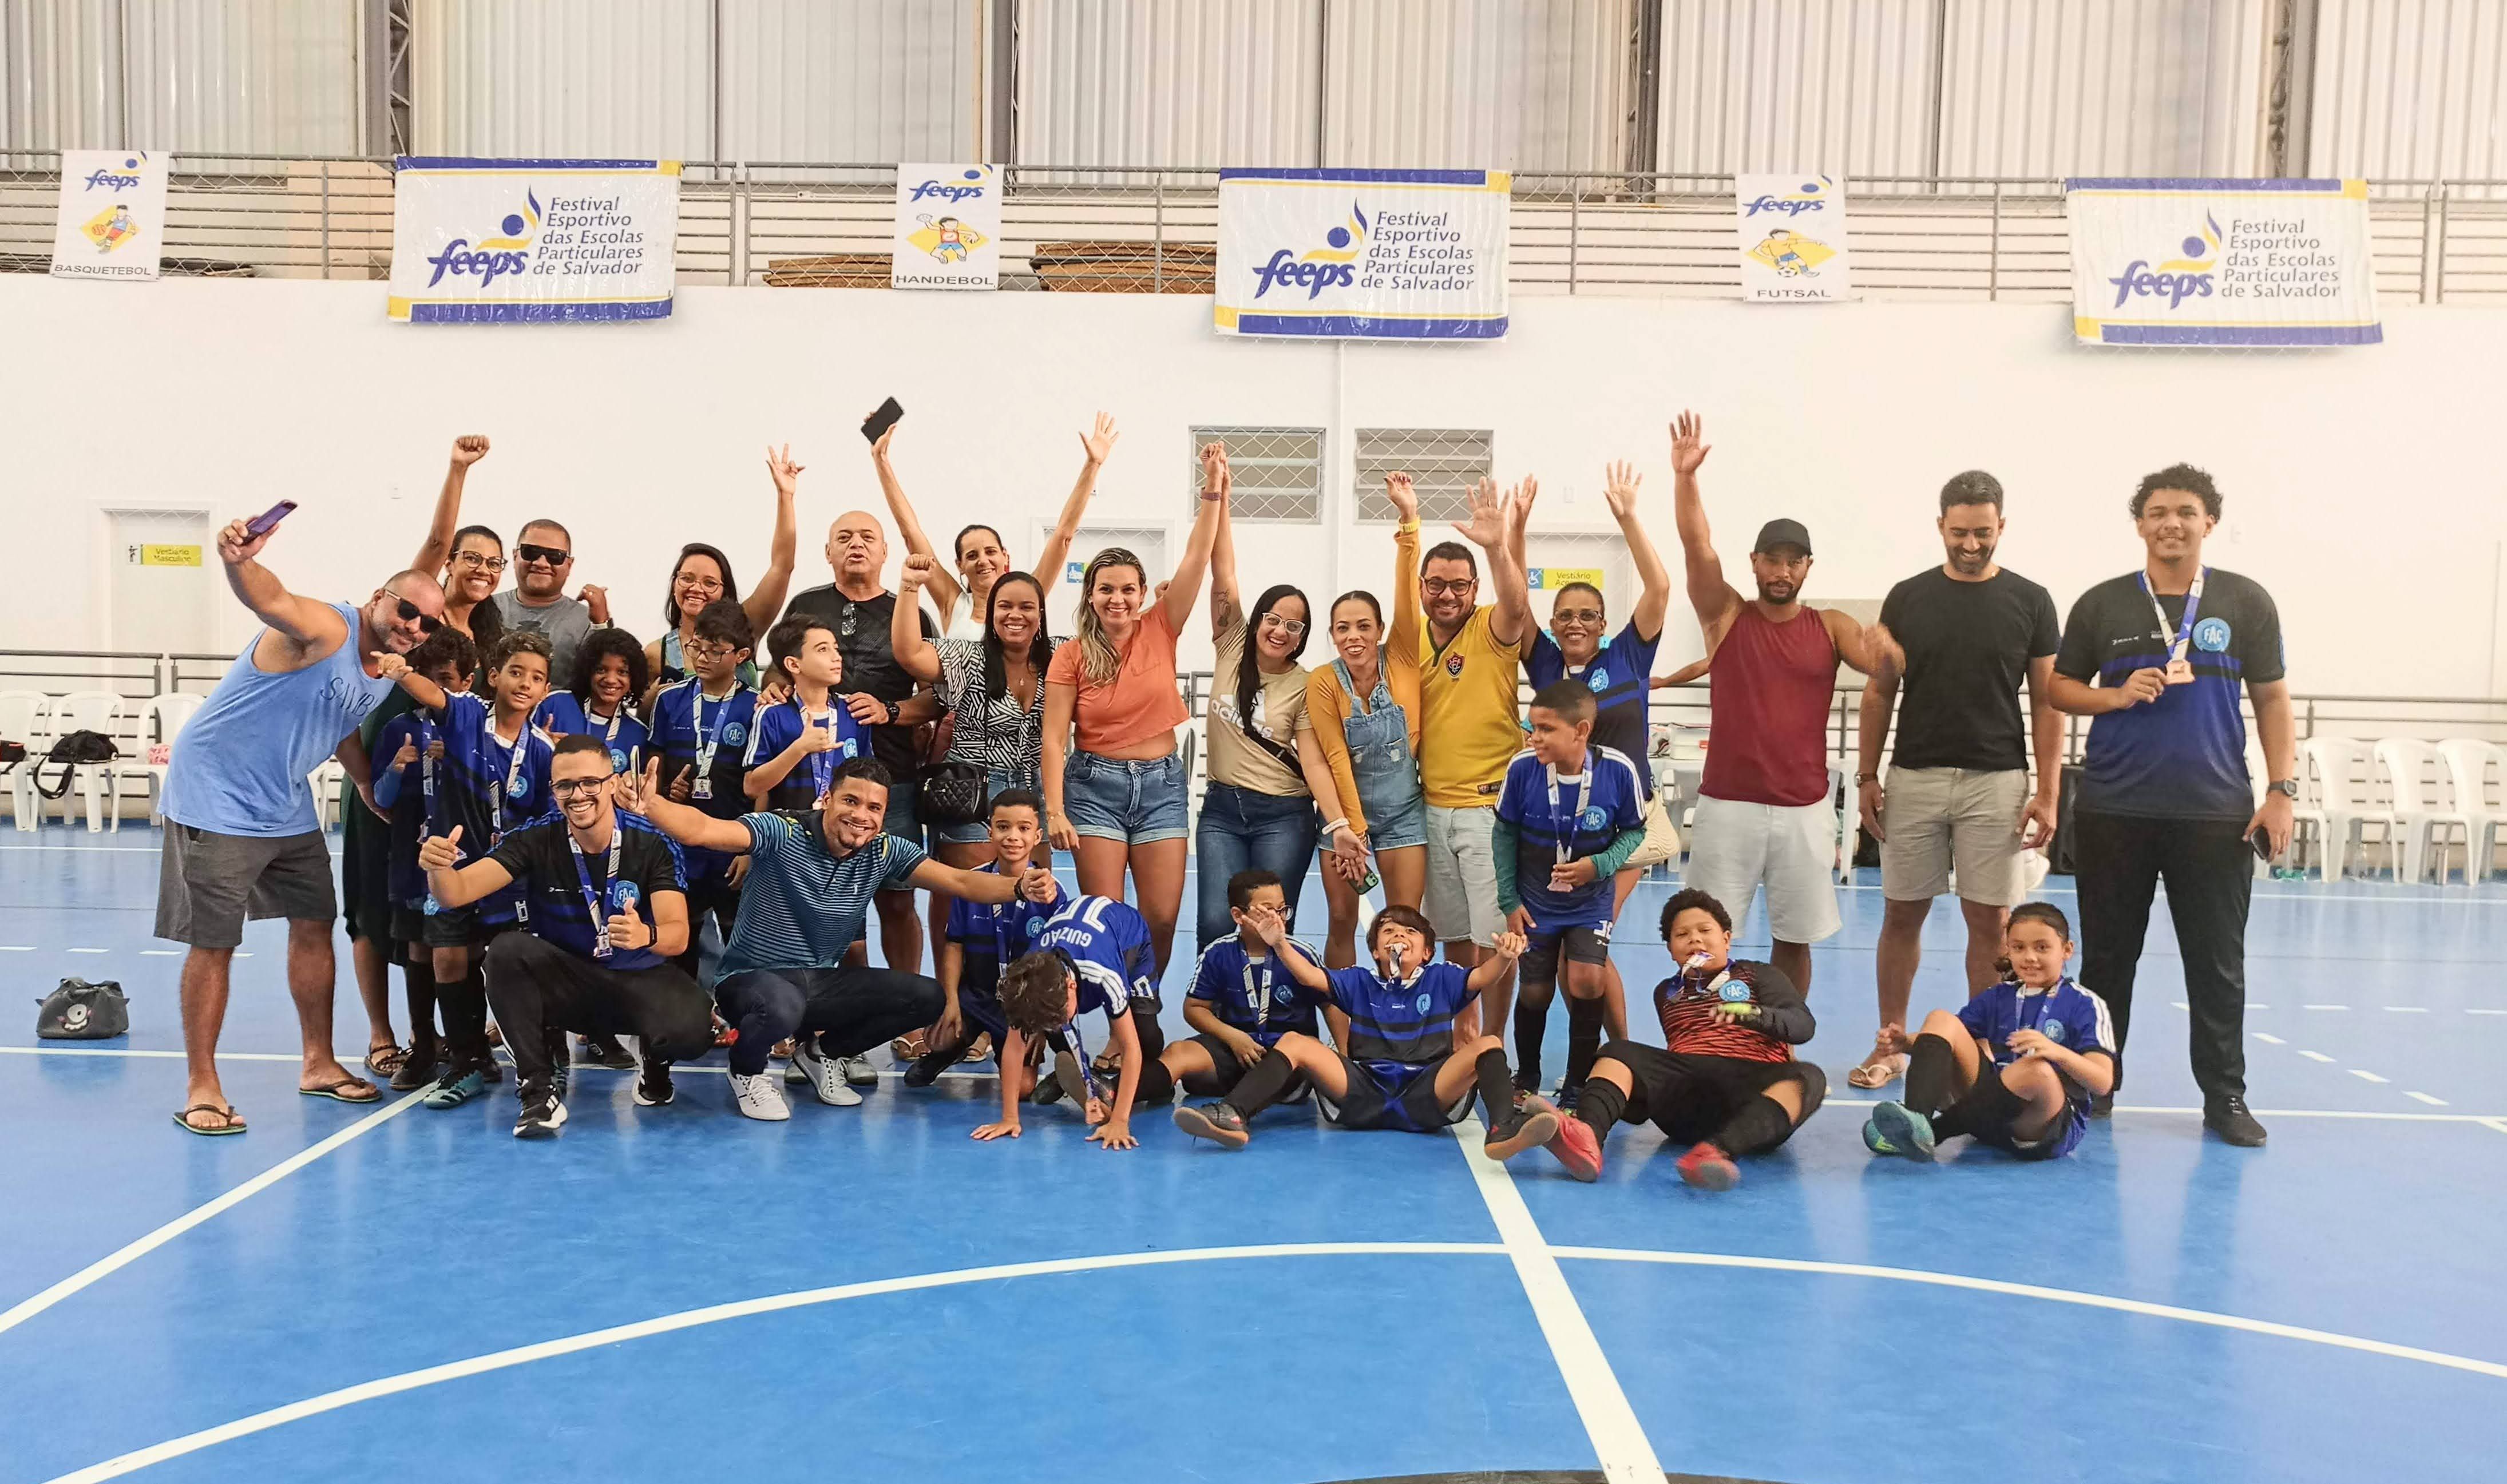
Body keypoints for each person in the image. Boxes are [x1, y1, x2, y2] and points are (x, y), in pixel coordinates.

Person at [158, 516, 443, 1134]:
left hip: (284, 800)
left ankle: (318, 1062)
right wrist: (239, 561)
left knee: (315, 923)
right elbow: (274, 599)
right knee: (215, 941)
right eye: (407, 610)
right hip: (216, 791)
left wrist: (365, 783)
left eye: (428, 623)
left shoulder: (385, 665)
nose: (414, 626)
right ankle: (203, 1084)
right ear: (379, 597)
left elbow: (341, 720)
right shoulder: (330, 627)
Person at [2047, 463, 2289, 1147]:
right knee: (2107, 962)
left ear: (2208, 521)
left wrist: (2280, 790)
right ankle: (2096, 1086)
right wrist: (2114, 695)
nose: (2171, 523)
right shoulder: (2101, 603)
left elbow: (2272, 697)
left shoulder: (2244, 600)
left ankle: (2225, 1097)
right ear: (2139, 524)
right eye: (2157, 512)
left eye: (2185, 511)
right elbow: (2060, 688)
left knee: (2216, 965)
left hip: (2214, 814)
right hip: (2114, 810)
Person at [620, 756, 1052, 1121]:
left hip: (819, 983)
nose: (861, 815)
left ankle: (821, 1053)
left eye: (874, 807)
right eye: (850, 801)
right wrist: (651, 804)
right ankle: (747, 1073)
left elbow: (960, 881)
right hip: (751, 980)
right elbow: (702, 830)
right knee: (781, 1005)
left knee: (926, 997)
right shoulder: (782, 831)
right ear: (827, 799)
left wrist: (1019, 888)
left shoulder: (884, 850)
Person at [1849, 470, 2064, 1090]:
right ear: (1941, 525)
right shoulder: (1908, 598)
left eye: (1983, 532)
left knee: (1990, 925)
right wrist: (1866, 775)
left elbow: (2047, 701)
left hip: (1996, 782)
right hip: (1913, 777)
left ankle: (1982, 1055)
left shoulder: (2031, 600)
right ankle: (1890, 1042)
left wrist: (2048, 792)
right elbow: (1880, 690)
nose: (1971, 544)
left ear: (2002, 527)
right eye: (1960, 532)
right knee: (1901, 914)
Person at [1667, 410, 1885, 997]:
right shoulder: (1726, 614)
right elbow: (1696, 544)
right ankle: (1705, 1035)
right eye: (1772, 559)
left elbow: (1883, 666)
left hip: (1803, 808)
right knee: (1704, 934)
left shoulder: (1831, 625)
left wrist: (1897, 647)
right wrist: (1685, 478)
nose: (1782, 570)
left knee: (1795, 935)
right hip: (1728, 804)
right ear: (1755, 562)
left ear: (1807, 566)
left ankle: (1782, 1033)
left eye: (1794, 560)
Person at [418, 735, 714, 1138]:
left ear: (613, 783)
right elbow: (456, 892)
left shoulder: (652, 841)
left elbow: (677, 936)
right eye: (565, 786)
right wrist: (438, 868)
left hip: (638, 976)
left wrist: (645, 934)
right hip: (570, 980)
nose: (578, 795)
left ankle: (654, 1058)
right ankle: (538, 1092)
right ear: (553, 790)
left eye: (590, 782)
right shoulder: (535, 837)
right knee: (505, 952)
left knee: (693, 1029)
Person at [337, 433, 496, 1081]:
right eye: (470, 558)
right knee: (375, 910)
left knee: (443, 920)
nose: (481, 570)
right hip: (382, 776)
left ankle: (456, 1037)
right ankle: (386, 1035)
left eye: (494, 563)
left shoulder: (484, 631)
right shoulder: (415, 609)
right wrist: (458, 469)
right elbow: (434, 540)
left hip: (446, 799)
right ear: (449, 564)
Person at [1509, 457, 1678, 1059]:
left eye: (1587, 614)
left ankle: (1622, 1056)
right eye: (1565, 615)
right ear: (1554, 625)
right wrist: (1516, 528)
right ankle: (1612, 1058)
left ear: (1603, 623)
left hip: (1625, 826)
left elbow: (1660, 589)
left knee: (1587, 950)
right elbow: (1513, 597)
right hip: (1560, 829)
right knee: (1571, 956)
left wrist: (1628, 517)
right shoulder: (1544, 663)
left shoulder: (1629, 656)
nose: (1576, 622)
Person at [1041, 442, 1227, 978]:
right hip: (1094, 789)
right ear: (1090, 595)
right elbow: (1053, 738)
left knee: (1161, 919)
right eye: (1106, 589)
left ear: (1143, 593)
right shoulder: (1071, 655)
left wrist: (1212, 487)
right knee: (1109, 920)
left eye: (1127, 589)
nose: (1117, 599)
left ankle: (1142, 1004)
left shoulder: (1162, 625)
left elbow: (1196, 557)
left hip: (1161, 787)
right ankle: (1118, 1014)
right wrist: (1055, 811)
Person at [1509, 889, 1826, 1192]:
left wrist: (1753, 1014)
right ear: (1671, 950)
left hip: (1752, 1093)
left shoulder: (1759, 975)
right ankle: (1585, 1137)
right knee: (1616, 1051)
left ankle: (1717, 1152)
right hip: (1686, 1102)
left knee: (1809, 1077)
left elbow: (1802, 1026)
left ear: (1727, 939)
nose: (1695, 939)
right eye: (1682, 935)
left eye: (1705, 931)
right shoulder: (1666, 993)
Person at [1170, 905, 1548, 1156]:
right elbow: (1310, 976)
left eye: (1410, 932)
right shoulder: (1358, 981)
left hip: (1427, 1090)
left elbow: (1484, 976)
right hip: (1362, 1090)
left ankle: (1503, 1128)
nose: (1398, 936)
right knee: (1296, 1043)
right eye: (1388, 931)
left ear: (1427, 952)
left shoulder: (1443, 979)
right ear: (1375, 951)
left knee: (1488, 1043)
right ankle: (1233, 1114)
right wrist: (1280, 944)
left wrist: (1504, 956)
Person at [375, 632, 557, 1110]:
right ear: (494, 677)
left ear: (545, 690)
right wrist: (402, 673)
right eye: (516, 672)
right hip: (451, 869)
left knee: (510, 965)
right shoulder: (469, 717)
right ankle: (467, 1062)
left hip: (507, 878)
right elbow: (434, 694)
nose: (525, 683)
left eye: (536, 678)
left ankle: (537, 1061)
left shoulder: (542, 750)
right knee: (448, 961)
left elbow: (546, 821)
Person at [893, 555, 1054, 1046]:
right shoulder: (966, 656)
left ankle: (1020, 1017)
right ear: (991, 612)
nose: (1015, 615)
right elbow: (909, 653)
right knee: (971, 909)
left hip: (1036, 792)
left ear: (1041, 613)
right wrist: (908, 587)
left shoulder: (1060, 655)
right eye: (1005, 606)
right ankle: (963, 1013)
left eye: (1026, 606)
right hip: (973, 791)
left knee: (1029, 909)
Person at [781, 508, 944, 974]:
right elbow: (781, 671)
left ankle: (906, 1002)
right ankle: (845, 1005)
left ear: (885, 551)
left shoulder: (911, 612)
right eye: (845, 537)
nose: (856, 544)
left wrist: (891, 711)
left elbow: (939, 697)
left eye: (868, 537)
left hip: (893, 779)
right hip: (816, 784)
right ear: (827, 552)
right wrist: (774, 687)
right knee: (830, 906)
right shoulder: (805, 606)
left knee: (897, 899)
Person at [1413, 474, 1535, 1042]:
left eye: (1459, 585)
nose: (1447, 595)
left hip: (1489, 811)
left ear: (1474, 587)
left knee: (1496, 939)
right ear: (1421, 586)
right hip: (1430, 808)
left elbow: (1517, 602)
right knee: (1454, 936)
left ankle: (1494, 1039)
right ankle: (1464, 1034)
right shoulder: (1410, 637)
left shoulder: (1491, 625)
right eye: (1436, 584)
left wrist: (1496, 545)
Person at [1863, 902, 2116, 1163]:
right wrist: (1905, 1043)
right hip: (1988, 1114)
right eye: (2019, 948)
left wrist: (2057, 1052)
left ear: (2067, 950)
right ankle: (1917, 1121)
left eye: (2042, 947)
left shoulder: (2085, 1004)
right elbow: (1945, 1041)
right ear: (2008, 949)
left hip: (2042, 1125)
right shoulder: (2000, 996)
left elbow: (2103, 1081)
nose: (2030, 957)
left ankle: (1935, 1133)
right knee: (1941, 1019)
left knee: (2035, 1070)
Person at [1495, 680, 1647, 1101]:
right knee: (1535, 989)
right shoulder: (1522, 768)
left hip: (1589, 901)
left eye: (1546, 729)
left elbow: (1634, 832)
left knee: (1588, 980)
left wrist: (1600, 865)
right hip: (1535, 901)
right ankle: (1526, 1077)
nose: (1535, 737)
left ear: (1581, 731)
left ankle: (1579, 1084)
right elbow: (1503, 835)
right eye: (1533, 727)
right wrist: (1509, 900)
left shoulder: (1618, 770)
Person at [1300, 474, 1429, 967]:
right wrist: (1349, 831)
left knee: (1403, 921)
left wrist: (1408, 521)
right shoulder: (1323, 681)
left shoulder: (1403, 658)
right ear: (1332, 635)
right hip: (1341, 818)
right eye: (1342, 628)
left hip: (1403, 815)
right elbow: (1334, 757)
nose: (1352, 636)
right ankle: (1343, 1011)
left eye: (1363, 627)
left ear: (1379, 631)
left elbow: (1406, 592)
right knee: (1341, 919)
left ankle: (1398, 1003)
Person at [1195, 485, 1318, 951]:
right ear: (1257, 620)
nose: (1280, 630)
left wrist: (1337, 821)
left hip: (1283, 816)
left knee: (1269, 928)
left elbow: (1314, 759)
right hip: (1221, 811)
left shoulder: (1306, 685)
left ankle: (1271, 999)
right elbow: (1223, 570)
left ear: (1302, 637)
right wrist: (1220, 496)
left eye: (1294, 626)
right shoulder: (1231, 645)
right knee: (1214, 923)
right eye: (1273, 618)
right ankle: (1214, 1000)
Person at [871, 410, 1113, 641]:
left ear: (1004, 556)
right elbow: (910, 532)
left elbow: (1063, 536)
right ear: (960, 565)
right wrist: (881, 460)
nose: (983, 561)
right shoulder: (952, 603)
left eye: (990, 551)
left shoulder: (1028, 593)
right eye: (972, 555)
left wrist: (1093, 465)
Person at [368, 628, 479, 1090]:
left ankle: (468, 1048)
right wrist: (397, 767)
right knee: (418, 947)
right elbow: (381, 798)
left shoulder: (472, 726)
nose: (437, 689)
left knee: (463, 950)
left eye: (447, 680)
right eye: (430, 678)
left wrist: (451, 759)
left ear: (467, 682)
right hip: (410, 858)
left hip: (462, 858)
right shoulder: (398, 729)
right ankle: (424, 1044)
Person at [985, 894, 1165, 1149]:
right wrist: (1010, 1118)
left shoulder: (1105, 975)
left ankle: (1150, 1080)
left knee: (1146, 1039)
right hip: (1074, 949)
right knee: (1056, 1031)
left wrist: (1120, 1122)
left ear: (1071, 987)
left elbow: (1131, 1048)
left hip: (1128, 944)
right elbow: (1014, 1047)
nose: (1057, 1024)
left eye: (1059, 1015)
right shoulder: (1026, 980)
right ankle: (1081, 1075)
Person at [906, 789, 1058, 1086]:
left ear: (1038, 836)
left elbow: (1056, 967)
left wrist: (1039, 1024)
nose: (1013, 837)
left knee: (1023, 1088)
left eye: (1024, 828)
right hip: (977, 998)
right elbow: (954, 945)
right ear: (990, 833)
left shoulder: (1050, 891)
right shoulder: (973, 884)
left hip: (1022, 1007)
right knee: (938, 1039)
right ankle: (954, 1048)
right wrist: (951, 1001)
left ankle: (1060, 1065)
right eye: (1003, 827)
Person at [647, 598, 762, 986]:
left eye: (716, 650)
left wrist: (750, 849)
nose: (703, 657)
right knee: (681, 942)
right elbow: (655, 770)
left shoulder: (756, 706)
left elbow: (763, 784)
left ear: (741, 655)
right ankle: (685, 1015)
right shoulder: (670, 700)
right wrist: (668, 792)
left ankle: (743, 1014)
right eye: (697, 646)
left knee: (740, 945)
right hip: (681, 845)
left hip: (733, 843)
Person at [1163, 869, 1333, 1112]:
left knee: (1300, 1053)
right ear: (1238, 915)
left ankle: (1229, 1112)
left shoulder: (1302, 954)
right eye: (1267, 911)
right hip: (1237, 1049)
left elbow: (1330, 1004)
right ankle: (1114, 1095)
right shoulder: (1217, 953)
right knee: (1178, 1053)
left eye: (1282, 910)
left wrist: (1343, 1059)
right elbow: (1194, 1008)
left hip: (1287, 1059)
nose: (1278, 919)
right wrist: (1234, 1038)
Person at [644, 444, 800, 697]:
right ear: (674, 585)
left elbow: (782, 567)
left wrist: (786, 496)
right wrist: (652, 699)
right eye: (687, 579)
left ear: (724, 591)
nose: (696, 589)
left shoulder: (745, 626)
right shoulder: (656, 653)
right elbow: (638, 713)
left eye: (709, 583)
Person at [744, 613, 868, 813]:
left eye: (835, 648)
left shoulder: (854, 711)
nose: (836, 657)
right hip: (788, 827)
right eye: (823, 650)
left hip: (840, 826)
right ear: (794, 664)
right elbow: (752, 787)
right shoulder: (771, 714)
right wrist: (800, 748)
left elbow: (868, 779)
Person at [492, 518, 608, 692]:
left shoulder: (587, 621)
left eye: (555, 556)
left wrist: (601, 625)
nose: (541, 563)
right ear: (515, 556)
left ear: (569, 565)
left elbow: (603, 680)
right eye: (531, 552)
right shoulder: (485, 607)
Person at [536, 626, 651, 775]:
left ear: (634, 678)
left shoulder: (638, 734)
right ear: (588, 671)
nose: (611, 680)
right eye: (601, 670)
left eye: (622, 672)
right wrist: (539, 745)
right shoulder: (555, 705)